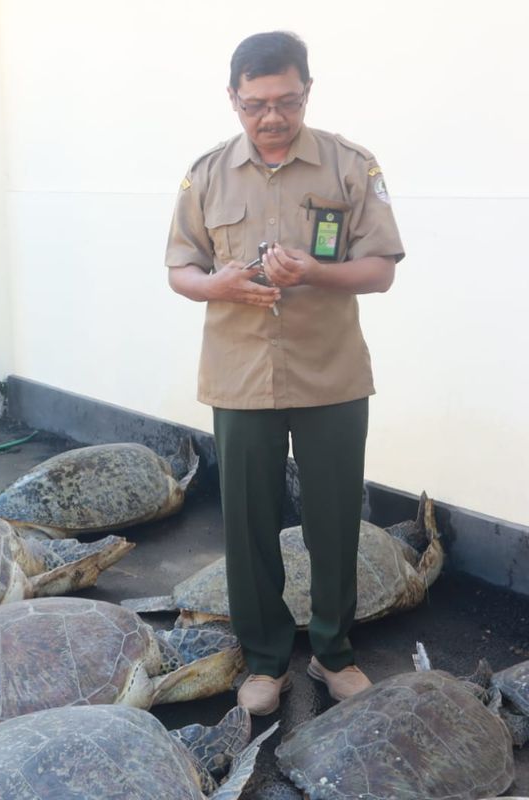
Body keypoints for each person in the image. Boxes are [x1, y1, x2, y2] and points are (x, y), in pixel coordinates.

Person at [166, 31, 403, 716]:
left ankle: (334, 653)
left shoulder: (349, 166)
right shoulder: (207, 174)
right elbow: (180, 268)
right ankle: (266, 661)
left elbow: (381, 269)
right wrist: (219, 286)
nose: (272, 117)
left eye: (288, 102)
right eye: (256, 104)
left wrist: (318, 273)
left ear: (307, 91)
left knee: (335, 520)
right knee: (248, 523)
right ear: (234, 98)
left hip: (331, 375)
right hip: (240, 377)